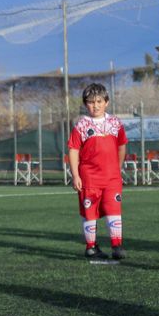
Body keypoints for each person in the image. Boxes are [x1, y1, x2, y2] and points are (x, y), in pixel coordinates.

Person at [67, 83, 128, 261]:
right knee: (89, 212)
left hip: (112, 178)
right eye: (91, 102)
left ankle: (117, 246)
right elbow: (73, 150)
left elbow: (122, 146)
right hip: (89, 178)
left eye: (99, 101)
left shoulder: (115, 123)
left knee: (113, 209)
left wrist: (117, 168)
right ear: (86, 104)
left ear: (106, 102)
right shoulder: (81, 125)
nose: (96, 105)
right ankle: (91, 247)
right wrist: (76, 175)